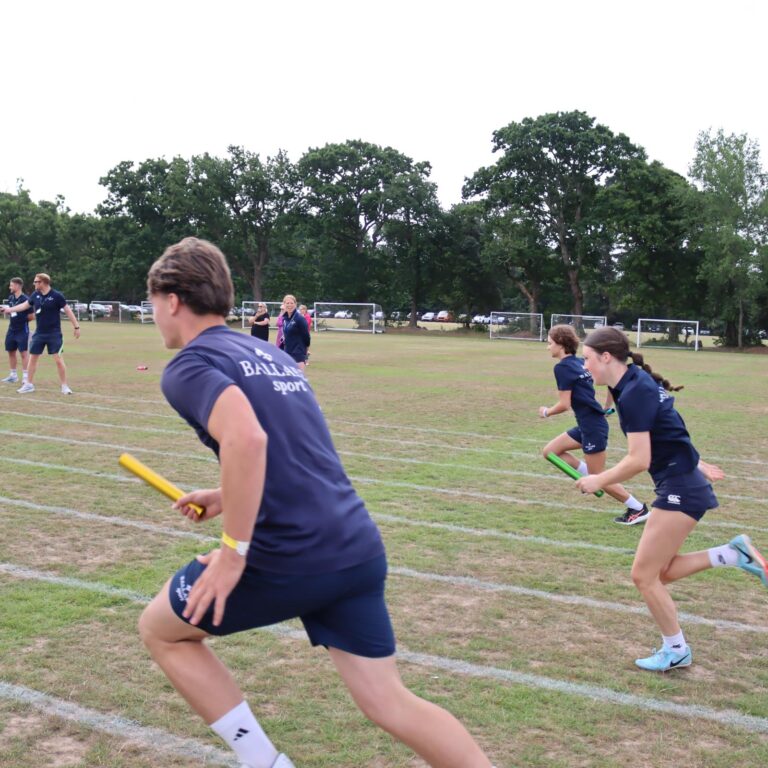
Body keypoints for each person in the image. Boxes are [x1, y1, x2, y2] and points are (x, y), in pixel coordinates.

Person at [137, 237, 494, 768]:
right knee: (389, 701)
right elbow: (297, 455)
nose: (153, 316)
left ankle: (264, 761)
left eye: (151, 304)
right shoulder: (269, 353)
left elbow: (248, 440)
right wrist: (225, 496)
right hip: (353, 544)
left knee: (161, 630)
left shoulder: (189, 365)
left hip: (292, 554)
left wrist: (233, 553)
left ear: (171, 300)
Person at [574, 326, 767, 672]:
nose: (584, 367)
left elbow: (639, 459)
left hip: (681, 487)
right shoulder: (630, 382)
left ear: (606, 357)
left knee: (644, 576)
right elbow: (671, 424)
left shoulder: (634, 391)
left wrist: (598, 479)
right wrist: (696, 461)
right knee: (657, 573)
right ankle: (731, 554)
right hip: (683, 481)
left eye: (586, 359)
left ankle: (676, 650)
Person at [539, 324, 648, 525]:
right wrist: (606, 407)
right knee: (550, 451)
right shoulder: (581, 362)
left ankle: (637, 508)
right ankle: (587, 475)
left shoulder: (562, 368)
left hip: (592, 427)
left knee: (599, 476)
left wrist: (547, 412)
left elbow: (564, 404)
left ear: (561, 344)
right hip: (588, 424)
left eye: (550, 343)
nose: (548, 347)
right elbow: (611, 382)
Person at [0, 272, 80, 394]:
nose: (34, 284)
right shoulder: (35, 295)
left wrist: (76, 327)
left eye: (36, 282)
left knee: (58, 360)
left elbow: (68, 311)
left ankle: (64, 386)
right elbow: (24, 306)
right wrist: (9, 309)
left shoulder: (57, 296)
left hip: (54, 334)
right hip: (39, 333)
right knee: (32, 359)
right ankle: (28, 384)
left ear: (43, 282)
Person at [2, 277, 31, 385]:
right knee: (11, 351)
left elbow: (32, 316)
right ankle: (13, 376)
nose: (10, 287)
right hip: (11, 329)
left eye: (11, 285)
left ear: (18, 286)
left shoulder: (26, 299)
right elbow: (12, 311)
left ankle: (26, 377)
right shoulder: (11, 298)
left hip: (22, 330)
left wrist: (19, 317)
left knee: (23, 353)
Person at [281, 294, 310, 371]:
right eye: (287, 303)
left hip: (298, 354)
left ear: (295, 304)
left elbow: (306, 337)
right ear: (284, 304)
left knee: (298, 377)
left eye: (291, 303)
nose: (289, 305)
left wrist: (305, 352)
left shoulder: (300, 318)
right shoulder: (285, 319)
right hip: (287, 353)